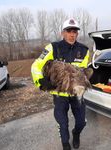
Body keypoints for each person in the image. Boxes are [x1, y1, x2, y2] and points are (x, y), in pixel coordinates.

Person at [31, 18, 90, 150]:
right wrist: (40, 81)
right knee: (63, 124)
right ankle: (65, 144)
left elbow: (83, 72)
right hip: (59, 93)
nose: (72, 34)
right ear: (62, 32)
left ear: (77, 34)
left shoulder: (84, 50)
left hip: (76, 93)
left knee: (81, 122)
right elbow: (36, 65)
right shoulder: (53, 48)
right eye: (69, 30)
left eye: (75, 31)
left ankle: (76, 133)